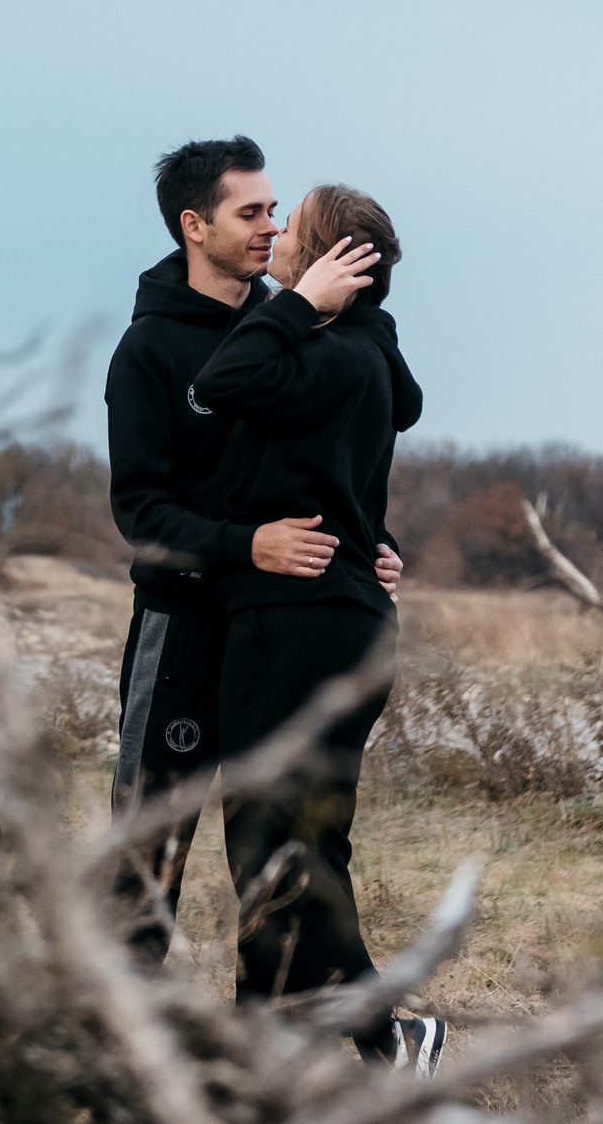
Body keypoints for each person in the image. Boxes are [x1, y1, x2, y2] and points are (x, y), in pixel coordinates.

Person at [103, 139, 404, 964]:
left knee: (272, 836)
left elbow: (325, 461)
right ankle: (120, 1017)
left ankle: (287, 1011)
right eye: (250, 212)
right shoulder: (149, 349)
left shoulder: (291, 323)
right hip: (182, 623)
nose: (271, 225)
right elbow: (140, 512)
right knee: (150, 836)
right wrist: (248, 544)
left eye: (275, 210)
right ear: (194, 226)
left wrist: (373, 544)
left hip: (272, 628)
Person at [191, 182, 448, 1074]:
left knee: (272, 844)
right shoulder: (364, 353)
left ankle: (390, 1037)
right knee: (305, 843)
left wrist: (298, 303)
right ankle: (257, 1046)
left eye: (292, 227)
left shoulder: (327, 353)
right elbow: (361, 453)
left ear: (332, 259)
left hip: (295, 625)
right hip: (345, 622)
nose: (277, 237)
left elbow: (218, 381)